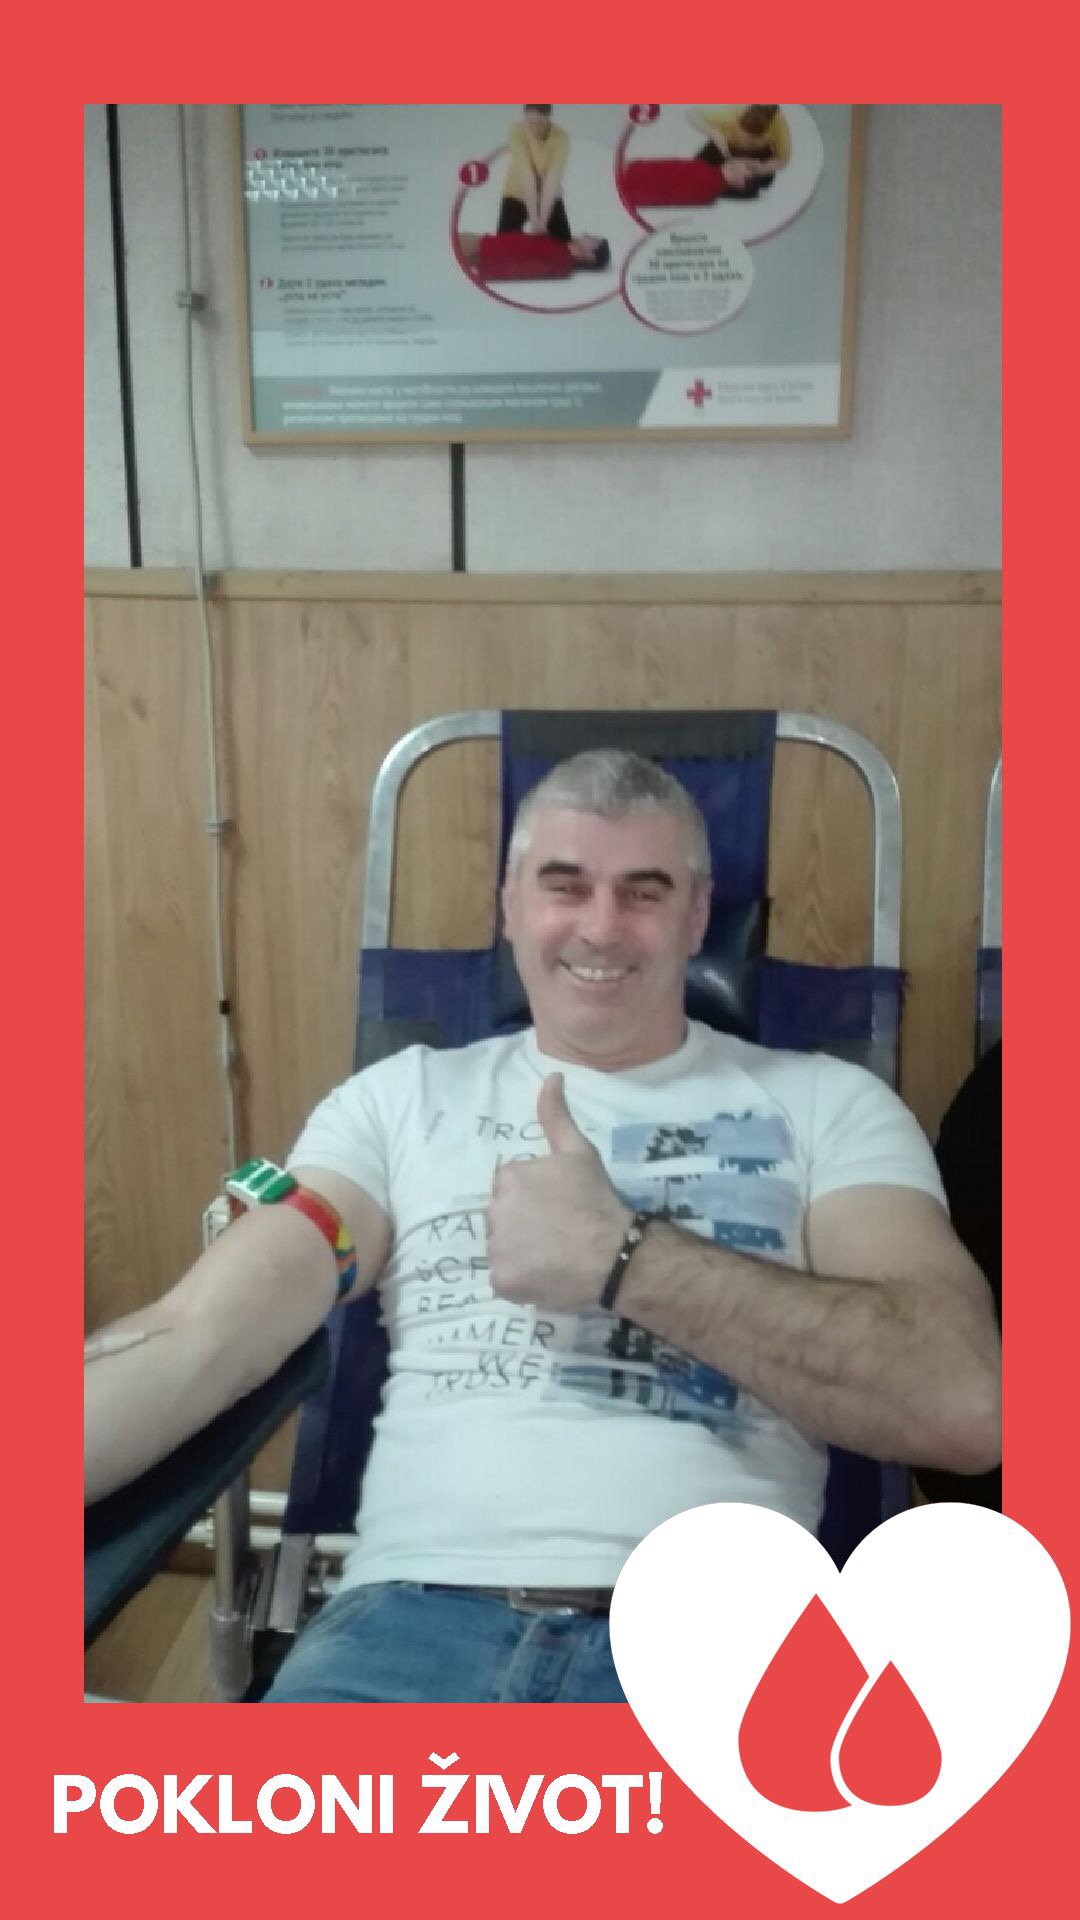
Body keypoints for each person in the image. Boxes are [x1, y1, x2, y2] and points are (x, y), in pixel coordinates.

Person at [85, 752, 1001, 1703]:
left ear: (698, 916)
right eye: (565, 886)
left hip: (722, 1646)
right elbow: (202, 1334)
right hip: (398, 1640)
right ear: (510, 906)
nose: (601, 927)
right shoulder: (397, 1102)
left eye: (644, 892)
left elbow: (964, 1403)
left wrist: (625, 1258)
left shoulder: (829, 1108)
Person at [498, 106, 572, 241]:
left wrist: (542, 222)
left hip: (548, 196)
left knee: (564, 243)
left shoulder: (561, 137)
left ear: (548, 118)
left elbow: (552, 179)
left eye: (540, 123)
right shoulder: (516, 131)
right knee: (502, 245)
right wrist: (534, 220)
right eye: (530, 123)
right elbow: (527, 175)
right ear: (525, 117)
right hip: (515, 194)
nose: (535, 129)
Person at [687, 105, 792, 196]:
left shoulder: (779, 126)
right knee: (696, 171)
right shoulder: (733, 114)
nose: (747, 141)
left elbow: (783, 158)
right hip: (726, 147)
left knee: (750, 189)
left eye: (753, 138)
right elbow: (693, 114)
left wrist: (763, 168)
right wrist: (713, 133)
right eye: (745, 134)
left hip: (758, 157)